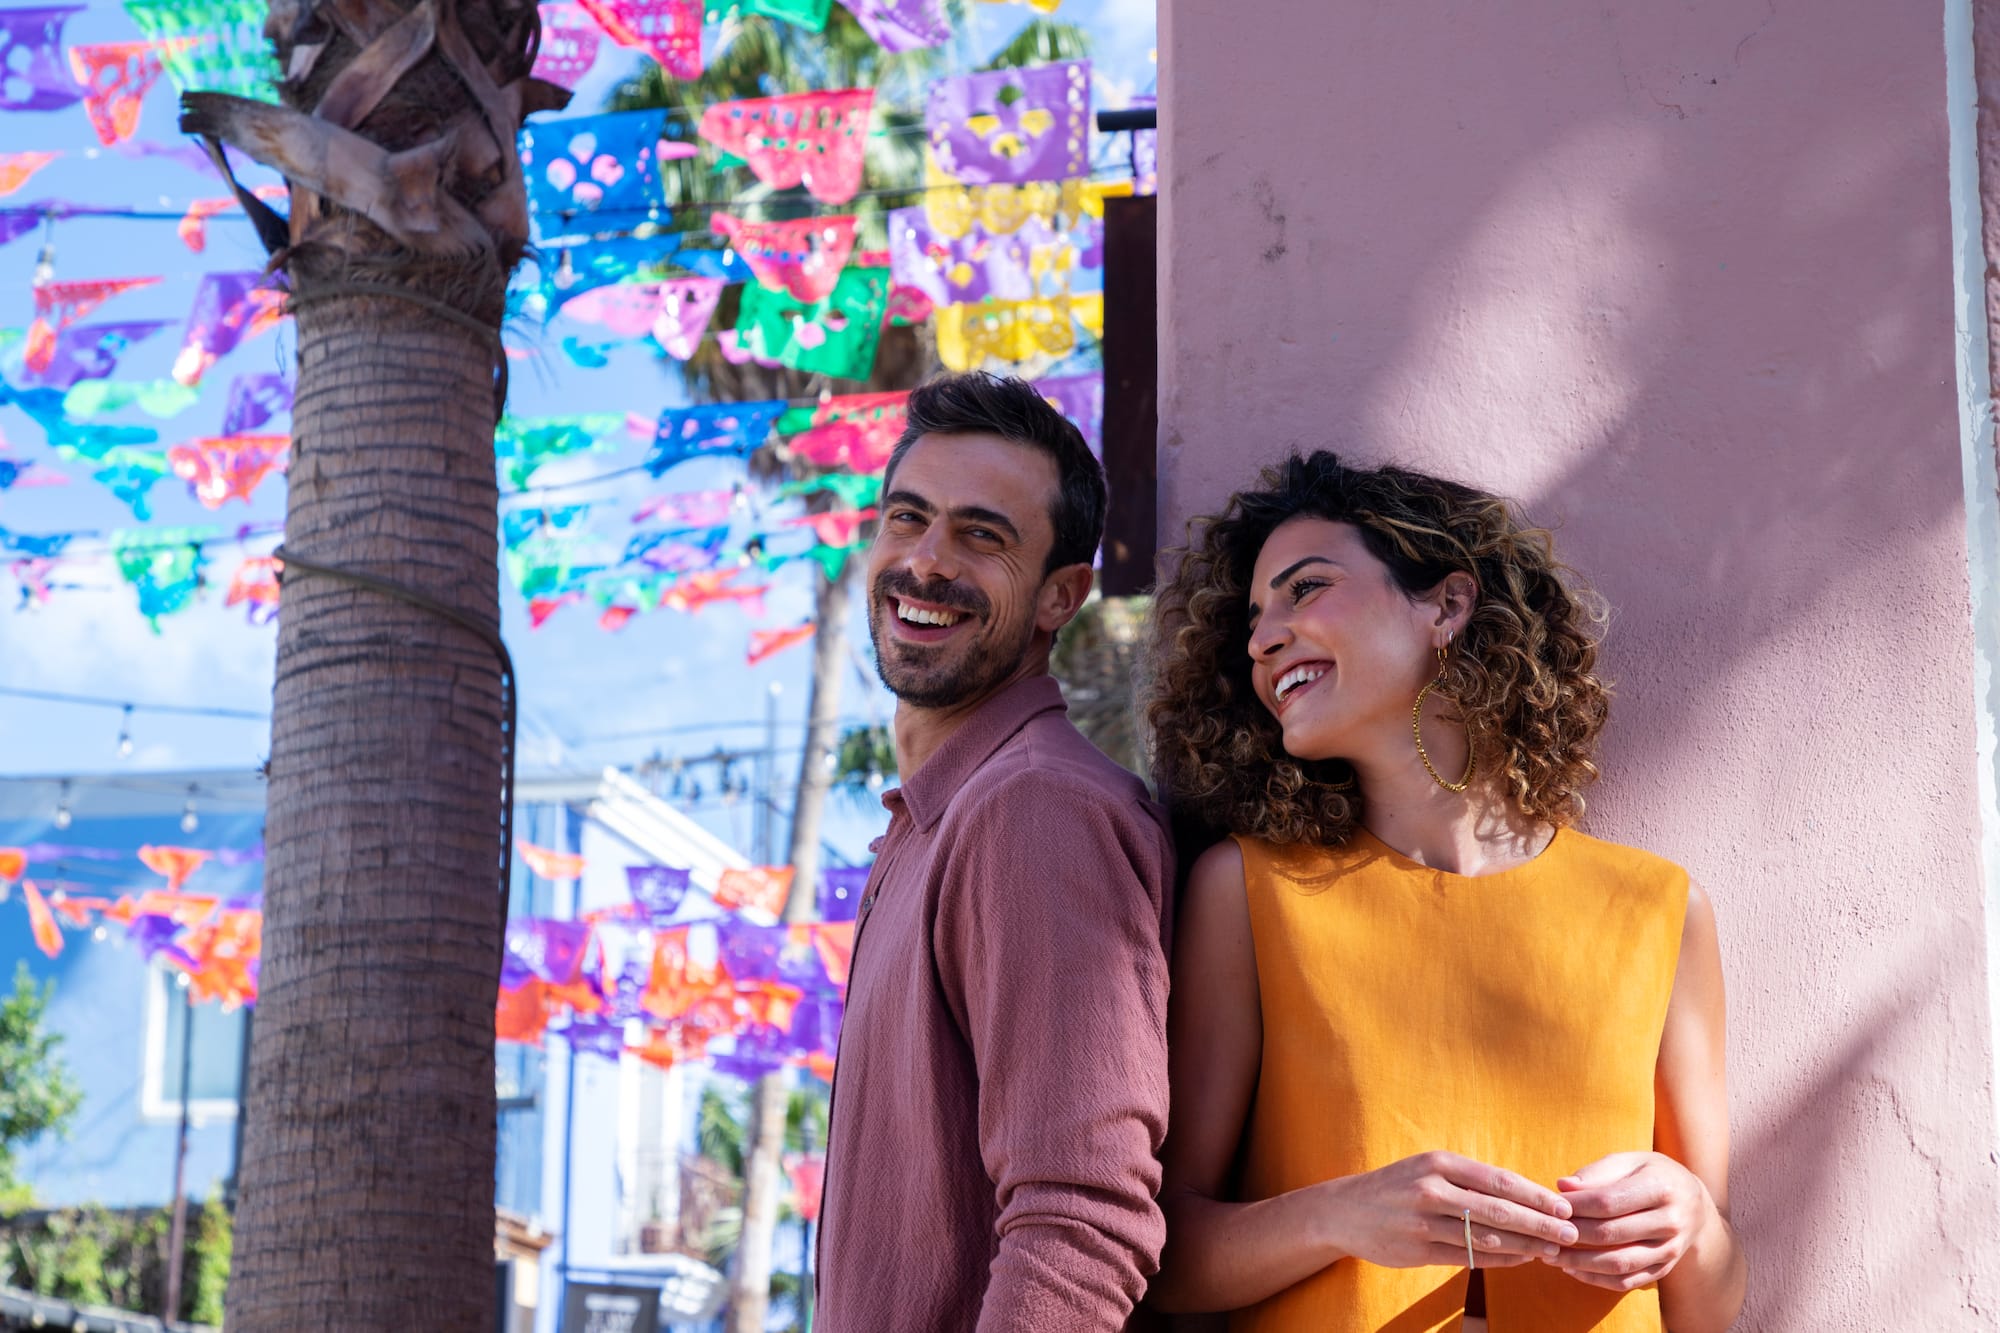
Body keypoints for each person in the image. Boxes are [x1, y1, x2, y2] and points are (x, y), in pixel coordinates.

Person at [1141, 452, 1746, 1332]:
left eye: (1305, 588)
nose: (1263, 637)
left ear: (1448, 605)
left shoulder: (1659, 909)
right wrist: (1340, 1214)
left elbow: (1710, 1311)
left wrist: (1690, 1220)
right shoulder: (1247, 891)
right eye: (1254, 617)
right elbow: (1165, 1260)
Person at [814, 371, 1176, 1332]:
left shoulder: (1034, 809)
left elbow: (1081, 1224)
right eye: (908, 517)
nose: (927, 561)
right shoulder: (934, 820)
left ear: (1061, 595)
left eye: (983, 535)